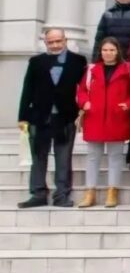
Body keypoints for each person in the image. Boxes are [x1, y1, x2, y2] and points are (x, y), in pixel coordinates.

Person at [17, 29, 87, 208]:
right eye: (51, 42)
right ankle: (38, 193)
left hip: (65, 116)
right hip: (40, 117)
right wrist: (23, 116)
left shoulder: (78, 61)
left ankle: (62, 195)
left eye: (58, 41)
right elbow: (27, 89)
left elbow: (84, 89)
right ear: (45, 42)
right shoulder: (36, 62)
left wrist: (81, 112)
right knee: (38, 157)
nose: (55, 45)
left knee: (64, 157)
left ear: (65, 40)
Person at [76, 38, 130, 209]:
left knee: (115, 157)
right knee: (92, 157)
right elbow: (81, 90)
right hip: (94, 117)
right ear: (100, 51)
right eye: (105, 50)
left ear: (118, 51)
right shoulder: (92, 69)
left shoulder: (128, 68)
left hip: (117, 117)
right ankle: (90, 192)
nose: (108, 53)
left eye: (112, 50)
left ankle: (113, 191)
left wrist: (128, 105)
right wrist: (84, 103)